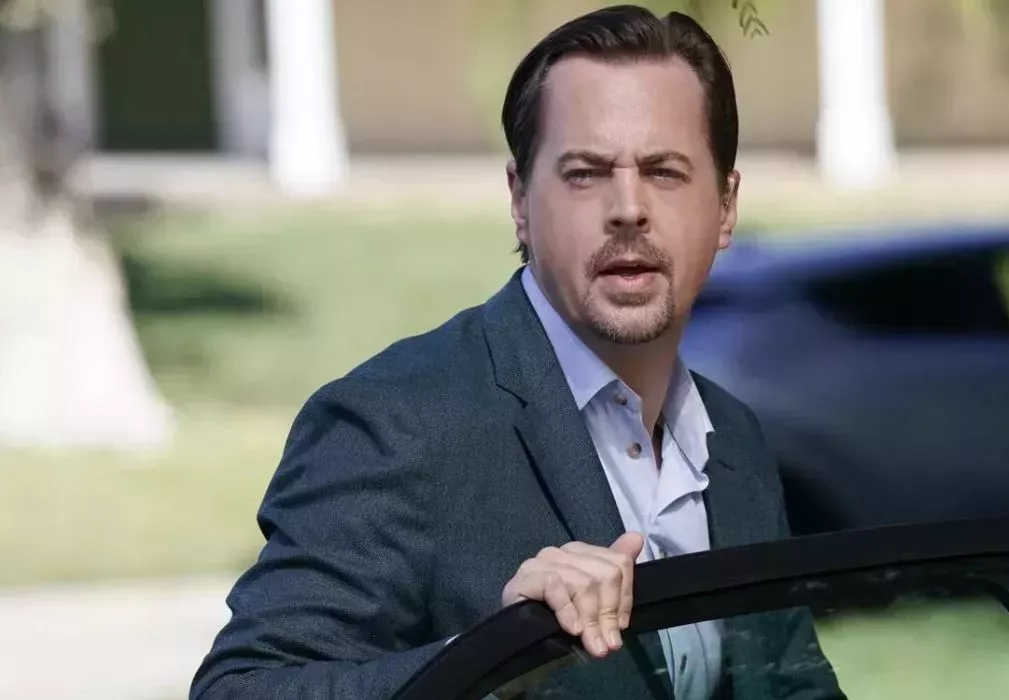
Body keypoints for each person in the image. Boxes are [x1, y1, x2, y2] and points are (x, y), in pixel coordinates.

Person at [190, 5, 843, 700]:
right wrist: (492, 661)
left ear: (726, 206)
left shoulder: (733, 440)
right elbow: (241, 691)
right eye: (585, 173)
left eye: (664, 171)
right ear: (521, 201)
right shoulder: (395, 424)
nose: (628, 208)